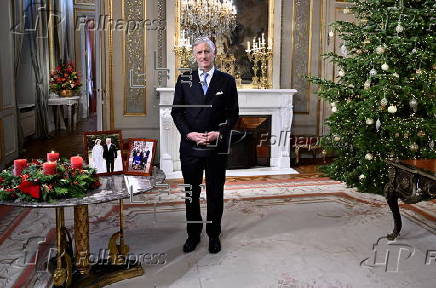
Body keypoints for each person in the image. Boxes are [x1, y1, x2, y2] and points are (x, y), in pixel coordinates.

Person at [171, 36, 239, 254]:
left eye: (206, 52)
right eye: (199, 53)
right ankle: (193, 234)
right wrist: (189, 134)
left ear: (214, 53)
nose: (203, 56)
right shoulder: (184, 79)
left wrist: (219, 133)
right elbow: (177, 112)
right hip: (190, 147)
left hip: (215, 147)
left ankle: (213, 235)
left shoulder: (226, 80)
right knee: (192, 191)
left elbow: (232, 113)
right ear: (194, 56)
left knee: (215, 192)